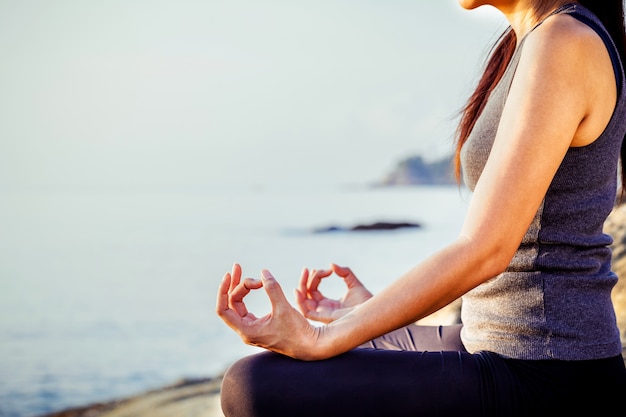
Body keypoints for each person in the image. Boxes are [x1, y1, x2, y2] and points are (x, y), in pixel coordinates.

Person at [216, 1, 626, 416]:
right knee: (316, 353)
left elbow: (486, 249)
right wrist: (366, 313)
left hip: (551, 372)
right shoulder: (525, 43)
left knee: (250, 387)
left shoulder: (564, 42)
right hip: (490, 339)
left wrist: (324, 337)